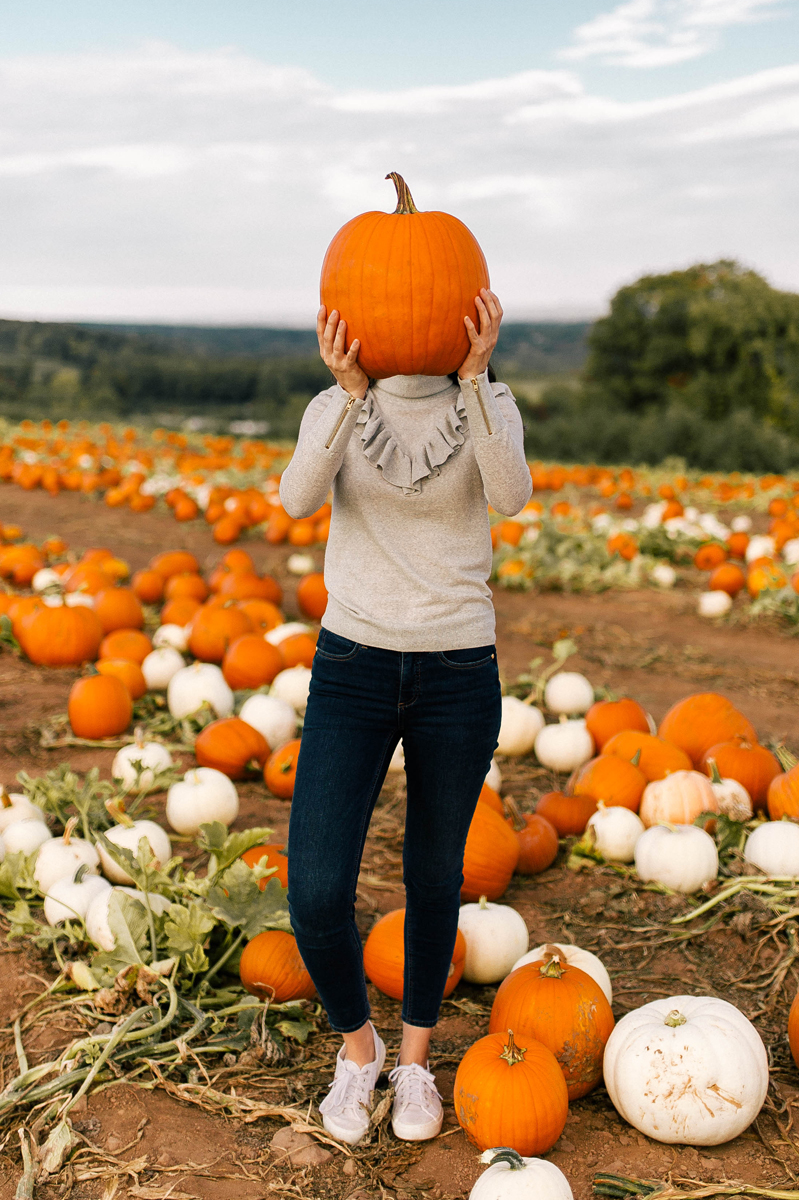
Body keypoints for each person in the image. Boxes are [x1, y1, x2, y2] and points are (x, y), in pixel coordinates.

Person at [279, 288, 532, 1146]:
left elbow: (511, 496)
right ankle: (359, 1051)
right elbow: (295, 498)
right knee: (315, 890)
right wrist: (348, 393)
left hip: (458, 668)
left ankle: (416, 1059)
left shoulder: (488, 405)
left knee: (434, 877)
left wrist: (474, 378)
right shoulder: (334, 406)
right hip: (351, 665)